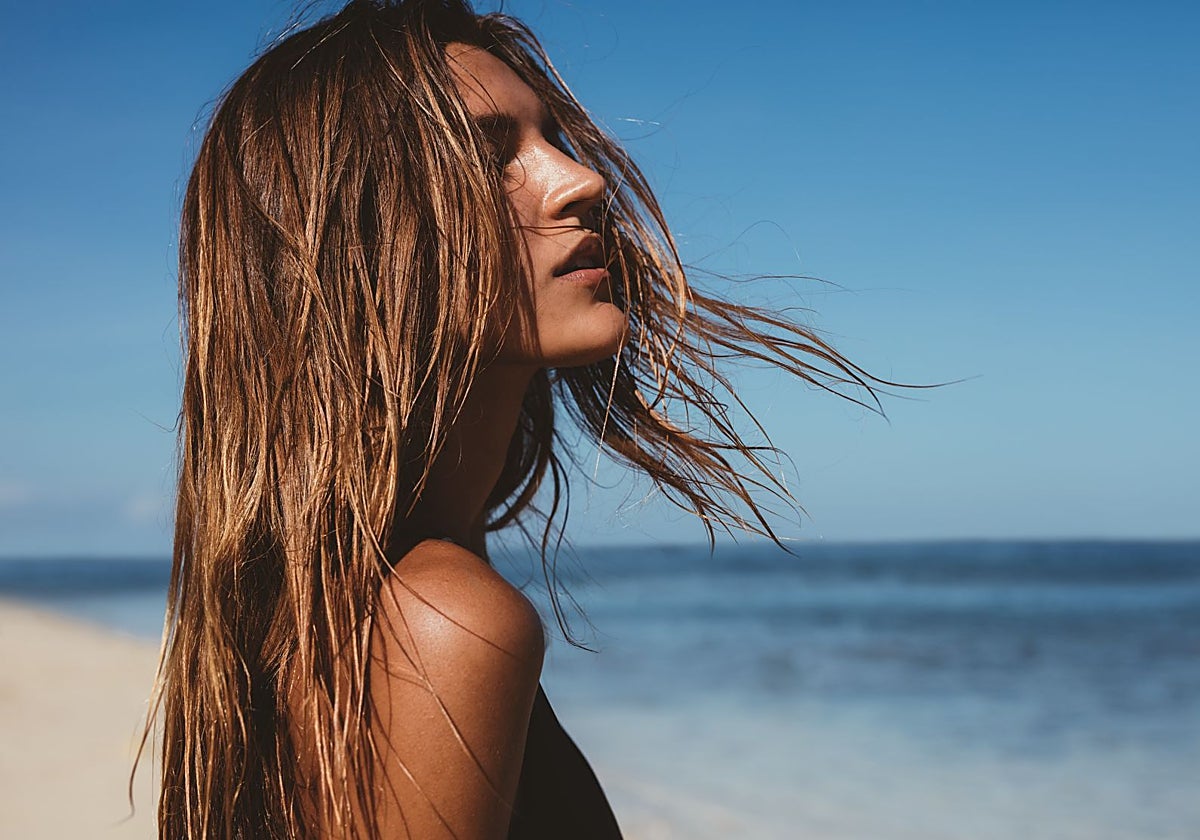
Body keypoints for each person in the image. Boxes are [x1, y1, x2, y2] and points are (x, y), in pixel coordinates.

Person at [143, 1, 880, 837]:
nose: (581, 180)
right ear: (357, 236)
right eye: (492, 156)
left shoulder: (326, 607)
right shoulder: (443, 621)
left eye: (551, 140)